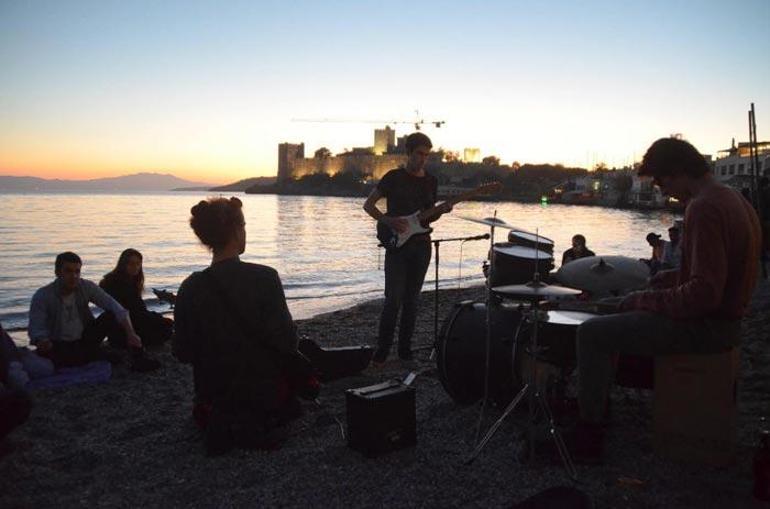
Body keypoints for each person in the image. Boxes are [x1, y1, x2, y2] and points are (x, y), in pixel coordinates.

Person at [570, 137, 761, 463]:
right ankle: (603, 401)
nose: (663, 191)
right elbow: (718, 272)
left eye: (662, 182)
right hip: (727, 320)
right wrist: (669, 279)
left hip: (709, 327)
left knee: (591, 333)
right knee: (608, 308)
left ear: (677, 171)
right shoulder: (735, 200)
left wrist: (646, 300)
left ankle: (588, 434)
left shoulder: (704, 207)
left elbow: (704, 295)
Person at [173, 197, 317, 455]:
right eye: (245, 226)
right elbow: (287, 343)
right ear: (237, 231)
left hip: (213, 397)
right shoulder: (265, 278)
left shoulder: (189, 287)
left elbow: (182, 351)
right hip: (263, 394)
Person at [363, 132, 452, 365]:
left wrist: (440, 212)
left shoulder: (431, 181)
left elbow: (426, 219)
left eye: (426, 155)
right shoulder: (393, 177)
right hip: (397, 248)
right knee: (393, 299)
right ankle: (382, 351)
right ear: (408, 153)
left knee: (412, 301)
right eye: (419, 154)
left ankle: (404, 350)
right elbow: (368, 205)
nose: (423, 159)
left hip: (422, 247)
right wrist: (388, 220)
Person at [28, 252, 160, 372]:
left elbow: (115, 307)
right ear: (57, 272)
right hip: (58, 343)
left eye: (77, 271)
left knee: (111, 315)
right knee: (58, 361)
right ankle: (87, 356)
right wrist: (42, 340)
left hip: (84, 339)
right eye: (68, 271)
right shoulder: (43, 295)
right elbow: (36, 328)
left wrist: (131, 334)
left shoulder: (86, 287)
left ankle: (138, 360)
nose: (73, 276)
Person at [100, 248, 173, 347]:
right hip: (124, 328)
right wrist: (158, 318)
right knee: (165, 328)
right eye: (131, 264)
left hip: (124, 326)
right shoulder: (117, 284)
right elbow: (136, 312)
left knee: (165, 326)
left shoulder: (129, 281)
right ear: (123, 264)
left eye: (138, 264)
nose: (135, 267)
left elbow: (139, 310)